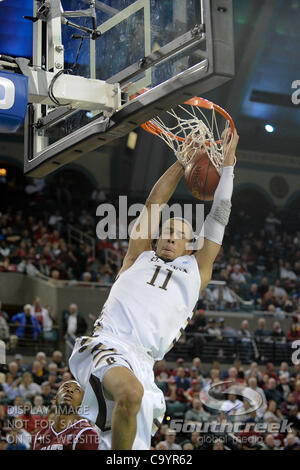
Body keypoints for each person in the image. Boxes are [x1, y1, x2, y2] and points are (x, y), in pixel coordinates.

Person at [69, 129, 239, 449]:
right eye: (167, 230)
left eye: (180, 233)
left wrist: (227, 169)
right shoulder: (138, 256)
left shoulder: (195, 271)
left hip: (145, 364)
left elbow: (219, 217)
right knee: (129, 393)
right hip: (108, 342)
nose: (171, 236)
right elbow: (155, 202)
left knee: (124, 436)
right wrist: (181, 163)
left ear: (191, 246)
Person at [32, 380, 99, 450]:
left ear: (82, 404)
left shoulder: (87, 434)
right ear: (54, 399)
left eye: (77, 390)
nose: (70, 390)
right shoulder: (39, 435)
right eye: (66, 387)